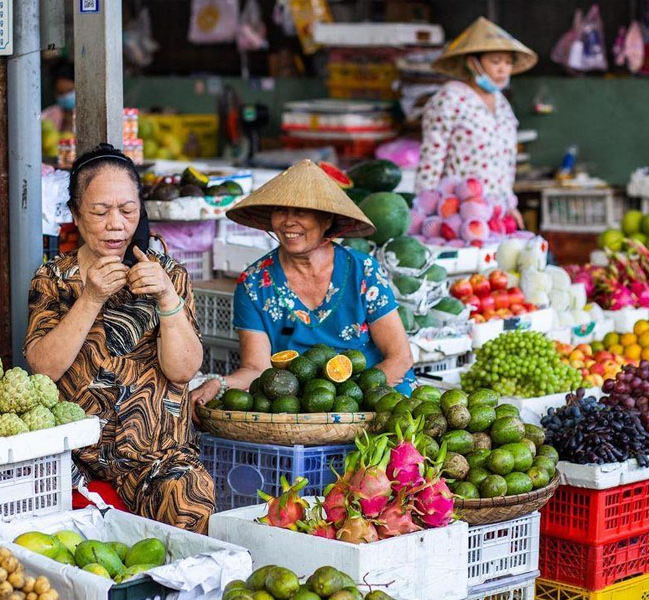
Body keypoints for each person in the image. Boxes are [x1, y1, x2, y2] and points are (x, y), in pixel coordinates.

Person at [24, 143, 215, 533]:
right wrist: (91, 298)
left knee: (190, 495)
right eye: (100, 211)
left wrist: (166, 298)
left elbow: (183, 371)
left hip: (159, 458)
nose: (116, 224)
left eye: (128, 211)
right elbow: (43, 367)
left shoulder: (169, 275)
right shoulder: (53, 279)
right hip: (75, 460)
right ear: (76, 215)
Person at [192, 160, 416, 410]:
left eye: (300, 211)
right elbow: (256, 368)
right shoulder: (253, 284)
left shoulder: (363, 271)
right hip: (303, 408)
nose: (288, 222)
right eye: (281, 211)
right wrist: (218, 384)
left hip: (377, 397)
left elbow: (400, 357)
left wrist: (352, 404)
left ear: (327, 220)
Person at [415, 17, 537, 223]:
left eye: (508, 63)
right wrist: (425, 211)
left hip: (496, 213)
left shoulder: (503, 105)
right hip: (456, 212)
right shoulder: (449, 99)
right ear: (473, 63)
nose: (503, 70)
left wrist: (510, 205)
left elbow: (506, 163)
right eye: (495, 62)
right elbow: (432, 159)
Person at [41, 61, 76, 133]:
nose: (66, 97)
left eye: (70, 91)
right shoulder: (47, 116)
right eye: (61, 93)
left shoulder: (87, 114)